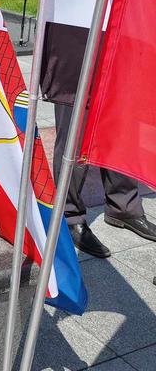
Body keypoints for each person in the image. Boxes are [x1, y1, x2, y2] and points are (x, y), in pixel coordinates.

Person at [53, 103, 156, 257]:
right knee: (75, 132)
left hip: (117, 78)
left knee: (122, 127)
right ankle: (70, 216)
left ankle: (123, 205)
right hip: (72, 81)